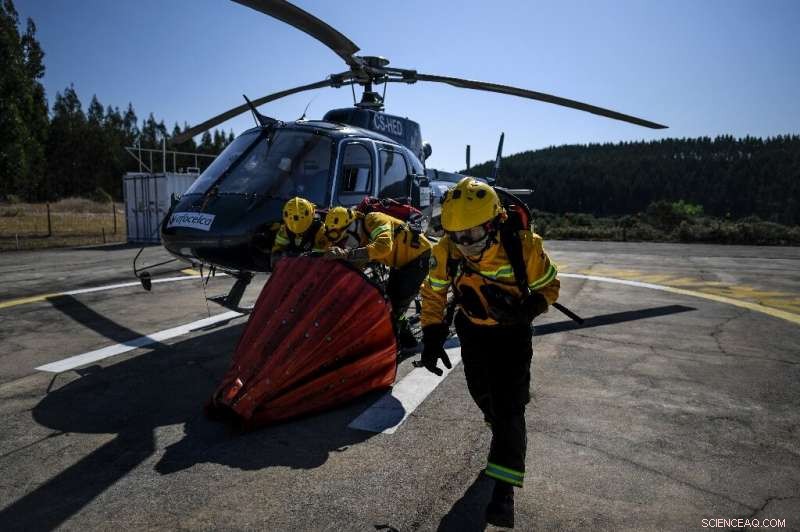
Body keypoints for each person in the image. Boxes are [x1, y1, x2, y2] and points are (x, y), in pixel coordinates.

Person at [416, 177, 559, 528]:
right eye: (457, 235)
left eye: (473, 234)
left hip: (512, 334)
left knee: (510, 407)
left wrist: (527, 311)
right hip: (472, 331)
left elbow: (549, 287)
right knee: (482, 394)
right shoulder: (446, 251)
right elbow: (433, 293)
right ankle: (501, 430)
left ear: (495, 223)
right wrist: (432, 336)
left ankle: (504, 491)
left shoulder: (524, 247)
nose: (465, 244)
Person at [322, 206, 432, 348]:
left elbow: (384, 246)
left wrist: (348, 255)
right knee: (389, 303)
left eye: (347, 236)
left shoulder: (374, 219)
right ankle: (407, 340)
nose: (348, 243)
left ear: (352, 226)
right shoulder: (361, 238)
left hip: (419, 257)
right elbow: (357, 267)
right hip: (400, 263)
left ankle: (398, 345)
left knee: (396, 304)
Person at [270, 197, 327, 270]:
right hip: (291, 265)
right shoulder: (285, 228)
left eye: (304, 230)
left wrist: (304, 258)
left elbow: (321, 257)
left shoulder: (320, 230)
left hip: (310, 268)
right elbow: (279, 246)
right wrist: (277, 256)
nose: (300, 234)